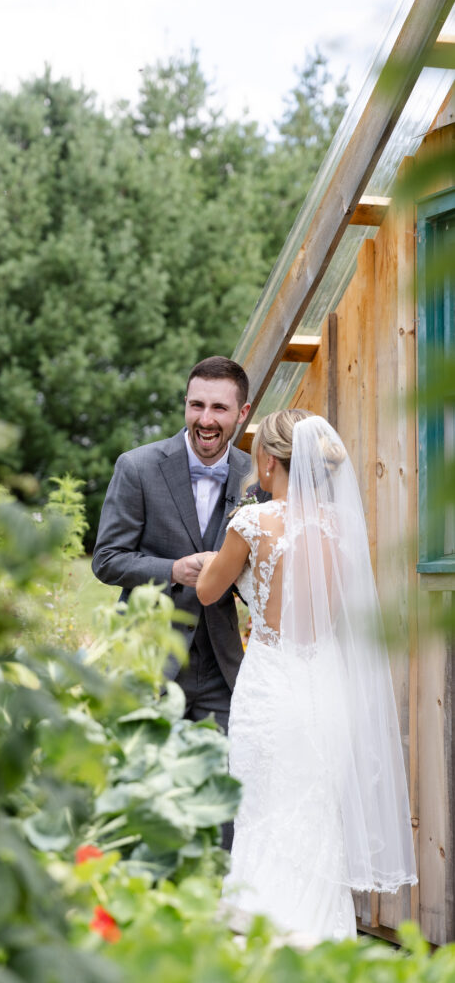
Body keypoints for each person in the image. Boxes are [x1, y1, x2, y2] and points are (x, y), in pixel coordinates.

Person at [196, 409, 417, 941]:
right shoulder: (342, 526)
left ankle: (263, 937)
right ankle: (320, 939)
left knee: (262, 806)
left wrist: (217, 560)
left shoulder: (252, 522)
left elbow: (207, 591)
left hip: (271, 683)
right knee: (315, 810)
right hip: (325, 683)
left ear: (269, 460)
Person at [92, 356, 252, 742]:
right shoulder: (137, 468)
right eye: (196, 405)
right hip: (149, 662)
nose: (205, 419)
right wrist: (173, 570)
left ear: (242, 413)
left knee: (226, 784)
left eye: (219, 407)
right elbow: (107, 560)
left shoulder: (254, 475)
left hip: (223, 667)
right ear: (185, 403)